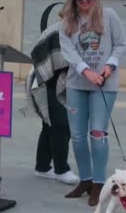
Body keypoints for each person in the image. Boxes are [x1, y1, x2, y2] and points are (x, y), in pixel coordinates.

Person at [58, 0, 126, 206]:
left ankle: (99, 183)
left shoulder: (109, 16)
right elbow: (69, 53)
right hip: (77, 84)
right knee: (77, 136)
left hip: (104, 85)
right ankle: (85, 180)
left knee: (97, 134)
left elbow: (120, 44)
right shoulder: (67, 22)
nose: (85, 0)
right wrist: (87, 72)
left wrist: (109, 66)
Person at [26, 21, 79, 185]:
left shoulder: (73, 29)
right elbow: (43, 54)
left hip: (54, 81)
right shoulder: (60, 29)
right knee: (62, 126)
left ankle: (42, 167)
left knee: (49, 126)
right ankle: (61, 169)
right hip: (49, 81)